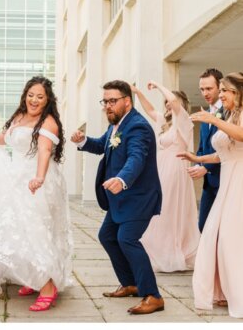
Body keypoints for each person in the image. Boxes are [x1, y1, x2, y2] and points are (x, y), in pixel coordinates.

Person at [0, 76, 74, 312]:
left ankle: (48, 286)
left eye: (40, 96)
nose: (34, 100)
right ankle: (33, 277)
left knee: (35, 232)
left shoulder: (48, 122)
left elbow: (44, 150)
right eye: (31, 95)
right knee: (15, 229)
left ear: (47, 99)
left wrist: (39, 178)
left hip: (37, 182)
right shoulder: (19, 117)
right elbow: (4, 138)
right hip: (15, 180)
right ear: (25, 95)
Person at [179, 72, 243, 319]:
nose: (220, 95)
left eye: (225, 91)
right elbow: (223, 154)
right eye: (220, 90)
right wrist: (197, 158)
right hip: (228, 182)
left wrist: (213, 119)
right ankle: (225, 291)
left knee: (238, 238)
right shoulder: (230, 116)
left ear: (237, 93)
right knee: (217, 236)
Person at [71, 79, 164, 315]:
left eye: (112, 101)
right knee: (107, 236)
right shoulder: (117, 125)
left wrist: (122, 180)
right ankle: (131, 283)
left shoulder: (137, 127)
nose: (107, 106)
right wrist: (82, 141)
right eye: (105, 101)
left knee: (127, 239)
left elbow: (136, 158)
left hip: (138, 197)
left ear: (127, 101)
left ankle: (153, 295)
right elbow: (103, 145)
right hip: (120, 201)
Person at [136, 81, 200, 272]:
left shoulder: (184, 120)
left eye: (170, 102)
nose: (167, 104)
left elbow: (173, 100)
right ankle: (159, 249)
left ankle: (172, 252)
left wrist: (157, 85)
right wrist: (138, 92)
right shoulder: (166, 124)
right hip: (161, 169)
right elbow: (150, 110)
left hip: (175, 170)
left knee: (169, 209)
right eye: (165, 103)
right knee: (158, 210)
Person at [189, 69, 224, 232]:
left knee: (222, 229)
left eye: (209, 89)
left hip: (225, 179)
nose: (205, 93)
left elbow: (228, 147)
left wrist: (206, 167)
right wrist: (197, 163)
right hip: (209, 184)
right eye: (202, 89)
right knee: (203, 226)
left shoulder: (229, 112)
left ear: (220, 86)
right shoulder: (206, 114)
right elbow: (202, 147)